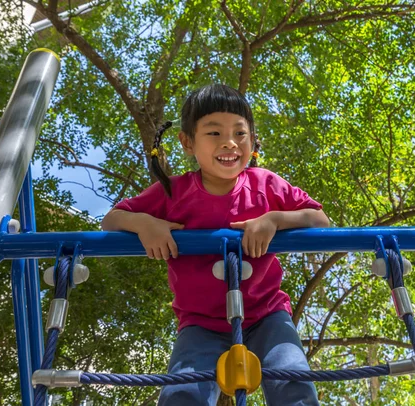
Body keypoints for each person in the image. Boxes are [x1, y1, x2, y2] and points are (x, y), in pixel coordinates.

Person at [101, 84, 329, 405]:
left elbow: (320, 220)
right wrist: (144, 223)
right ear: (187, 142)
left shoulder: (265, 184)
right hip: (200, 321)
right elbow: (111, 220)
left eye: (240, 133)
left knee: (292, 380)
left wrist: (275, 219)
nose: (230, 142)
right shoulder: (173, 192)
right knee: (182, 392)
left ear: (252, 139)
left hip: (267, 313)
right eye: (214, 133)